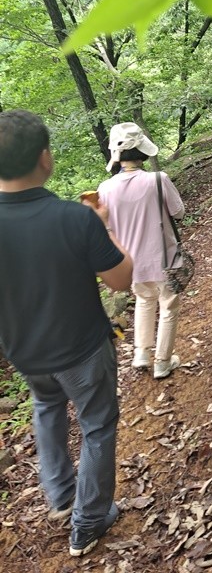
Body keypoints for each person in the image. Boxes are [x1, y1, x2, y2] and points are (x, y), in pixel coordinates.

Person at [0, 110, 133, 557]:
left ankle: (61, 497)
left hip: (25, 354)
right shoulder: (73, 218)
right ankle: (89, 520)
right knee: (97, 426)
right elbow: (121, 280)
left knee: (47, 407)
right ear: (44, 159)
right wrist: (103, 225)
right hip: (82, 350)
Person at [98, 123, 185, 380]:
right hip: (163, 256)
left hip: (130, 262)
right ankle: (163, 361)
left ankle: (141, 353)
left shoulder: (105, 188)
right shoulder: (157, 180)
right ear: (141, 151)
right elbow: (178, 211)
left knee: (145, 301)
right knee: (168, 305)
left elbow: (107, 226)